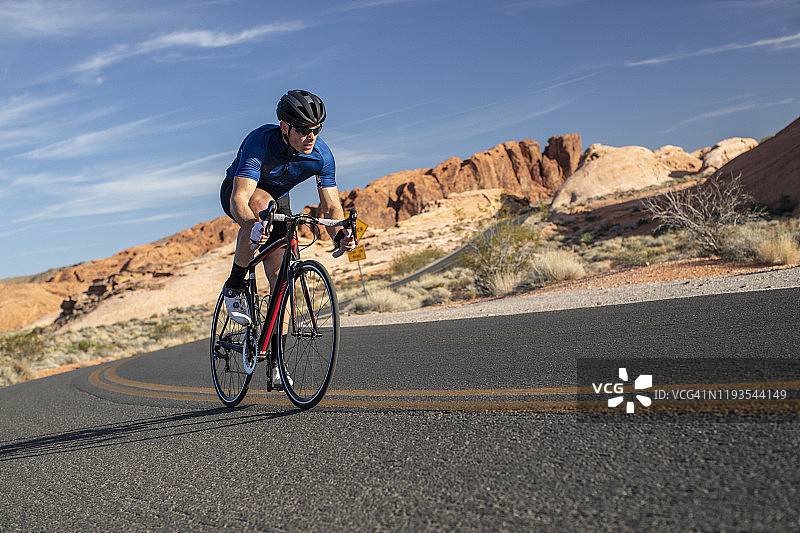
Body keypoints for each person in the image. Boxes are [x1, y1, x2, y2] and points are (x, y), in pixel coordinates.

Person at [219, 89, 355, 350]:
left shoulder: (322, 156)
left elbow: (331, 206)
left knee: (280, 276)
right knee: (261, 205)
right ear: (284, 127)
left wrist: (339, 235)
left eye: (316, 129)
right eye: (303, 130)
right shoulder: (260, 142)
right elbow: (240, 199)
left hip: (278, 199)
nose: (310, 137)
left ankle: (276, 357)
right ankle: (235, 286)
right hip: (240, 191)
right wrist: (252, 225)